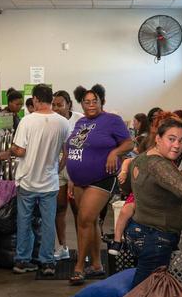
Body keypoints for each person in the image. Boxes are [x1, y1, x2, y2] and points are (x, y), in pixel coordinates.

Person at [125, 117, 182, 286]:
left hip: (143, 231)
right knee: (145, 290)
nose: (177, 145)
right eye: (171, 139)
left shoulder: (143, 158)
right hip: (155, 237)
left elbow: (127, 186)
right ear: (158, 139)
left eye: (181, 141)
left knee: (149, 287)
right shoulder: (158, 164)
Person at [64, 84, 133, 285]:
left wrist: (114, 153)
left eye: (95, 101)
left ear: (102, 101)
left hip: (102, 178)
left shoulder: (112, 120)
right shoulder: (81, 122)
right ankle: (96, 265)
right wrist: (71, 177)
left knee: (84, 220)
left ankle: (79, 268)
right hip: (79, 180)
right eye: (87, 102)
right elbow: (73, 148)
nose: (91, 105)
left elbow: (129, 143)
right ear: (81, 104)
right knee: (90, 222)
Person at [9, 84, 71, 276]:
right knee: (48, 222)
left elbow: (20, 150)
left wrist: (11, 150)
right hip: (50, 182)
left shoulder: (27, 121)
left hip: (27, 180)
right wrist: (55, 170)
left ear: (35, 99)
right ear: (51, 99)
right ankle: (47, 263)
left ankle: (22, 261)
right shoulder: (63, 122)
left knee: (24, 221)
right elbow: (65, 153)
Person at [52, 90, 83, 260]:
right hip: (58, 166)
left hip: (76, 166)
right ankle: (63, 247)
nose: (56, 108)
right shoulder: (52, 120)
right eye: (54, 105)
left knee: (78, 210)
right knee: (60, 208)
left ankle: (82, 249)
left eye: (60, 105)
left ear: (69, 105)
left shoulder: (79, 119)